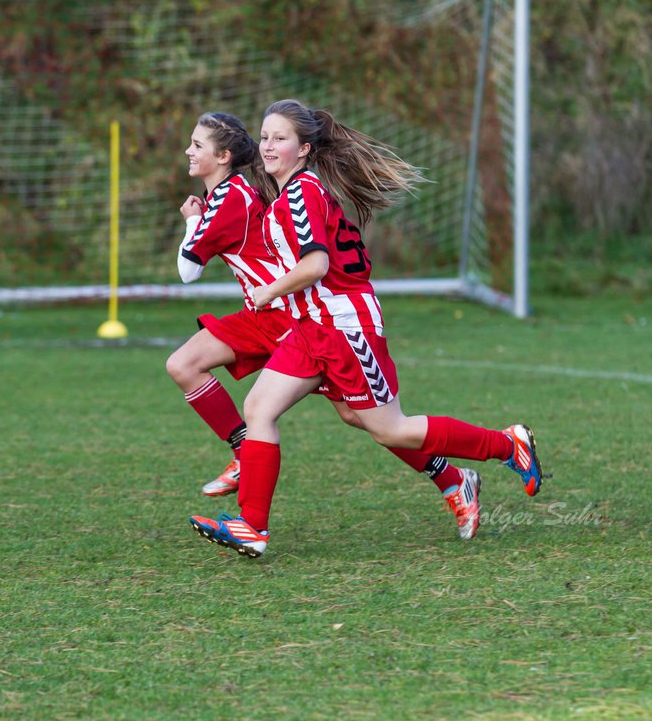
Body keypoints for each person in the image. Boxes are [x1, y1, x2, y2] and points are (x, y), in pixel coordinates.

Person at [190, 99, 546, 557]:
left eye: (280, 138)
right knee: (261, 408)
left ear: (303, 149)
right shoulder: (288, 193)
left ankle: (507, 445)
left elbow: (316, 264)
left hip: (344, 325)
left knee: (390, 428)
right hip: (310, 326)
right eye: (264, 137)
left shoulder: (302, 192)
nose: (268, 146)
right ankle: (251, 527)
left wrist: (268, 291)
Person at [166, 113, 482, 523]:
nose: (188, 151)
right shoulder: (235, 192)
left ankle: (459, 475)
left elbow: (188, 270)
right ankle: (247, 467)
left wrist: (191, 220)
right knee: (186, 364)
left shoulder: (229, 198)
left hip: (285, 316)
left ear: (223, 156)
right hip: (265, 313)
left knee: (365, 417)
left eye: (197, 145)